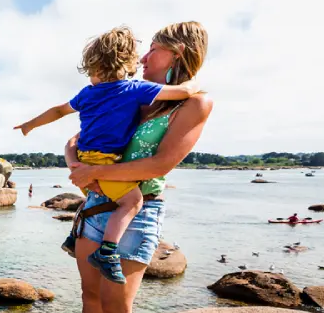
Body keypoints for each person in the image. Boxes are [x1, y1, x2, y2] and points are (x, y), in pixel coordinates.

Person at [61, 21, 215, 313]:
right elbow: (85, 138)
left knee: (117, 306)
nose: (143, 58)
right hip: (96, 207)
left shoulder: (194, 103)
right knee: (90, 296)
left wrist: (90, 173)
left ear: (178, 54)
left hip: (137, 211)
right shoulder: (132, 96)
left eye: (154, 51)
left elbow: (161, 163)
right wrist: (79, 161)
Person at [14, 25, 201, 285]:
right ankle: (107, 251)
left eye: (91, 72)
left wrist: (30, 125)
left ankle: (74, 235)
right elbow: (183, 93)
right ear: (127, 64)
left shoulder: (87, 93)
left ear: (97, 68)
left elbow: (58, 111)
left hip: (84, 156)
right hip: (103, 161)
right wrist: (193, 84)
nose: (90, 77)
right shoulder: (134, 89)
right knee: (131, 202)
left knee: (95, 191)